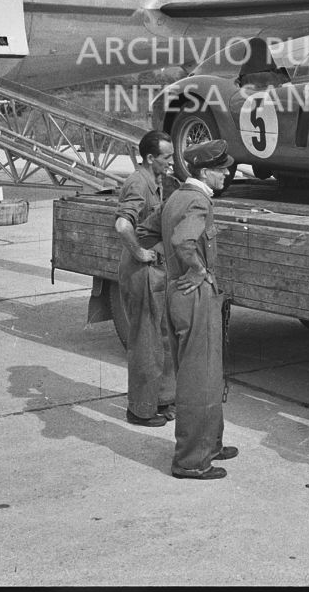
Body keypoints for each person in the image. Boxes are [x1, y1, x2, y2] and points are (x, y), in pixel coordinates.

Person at [162, 139, 239, 479]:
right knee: (198, 379)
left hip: (179, 292)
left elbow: (152, 230)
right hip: (193, 295)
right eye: (222, 169)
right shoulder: (197, 202)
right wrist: (197, 270)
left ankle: (211, 444)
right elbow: (182, 240)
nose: (227, 174)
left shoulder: (177, 196)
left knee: (207, 373)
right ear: (206, 172)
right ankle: (192, 461)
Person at [116, 130, 178, 426]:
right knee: (145, 342)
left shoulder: (155, 181)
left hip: (156, 274)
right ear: (151, 157)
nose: (171, 161)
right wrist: (139, 253)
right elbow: (122, 224)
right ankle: (140, 410)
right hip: (142, 273)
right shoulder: (138, 182)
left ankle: (162, 400)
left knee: (162, 338)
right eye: (166, 157)